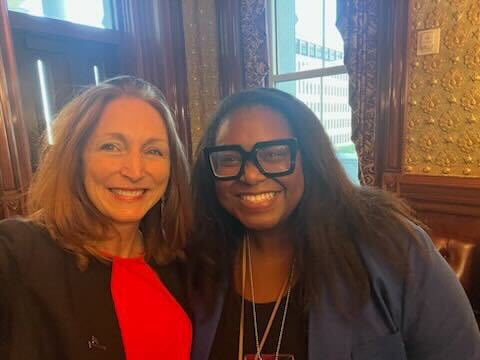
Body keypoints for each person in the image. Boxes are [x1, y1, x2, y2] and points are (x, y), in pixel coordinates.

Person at [189, 88, 480, 360]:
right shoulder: (195, 263)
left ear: (310, 159)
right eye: (228, 159)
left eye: (275, 154)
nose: (250, 175)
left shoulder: (391, 246)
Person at [0, 76, 192, 359]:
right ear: (75, 157)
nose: (135, 170)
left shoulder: (178, 262)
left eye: (153, 151)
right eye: (112, 146)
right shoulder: (16, 252)